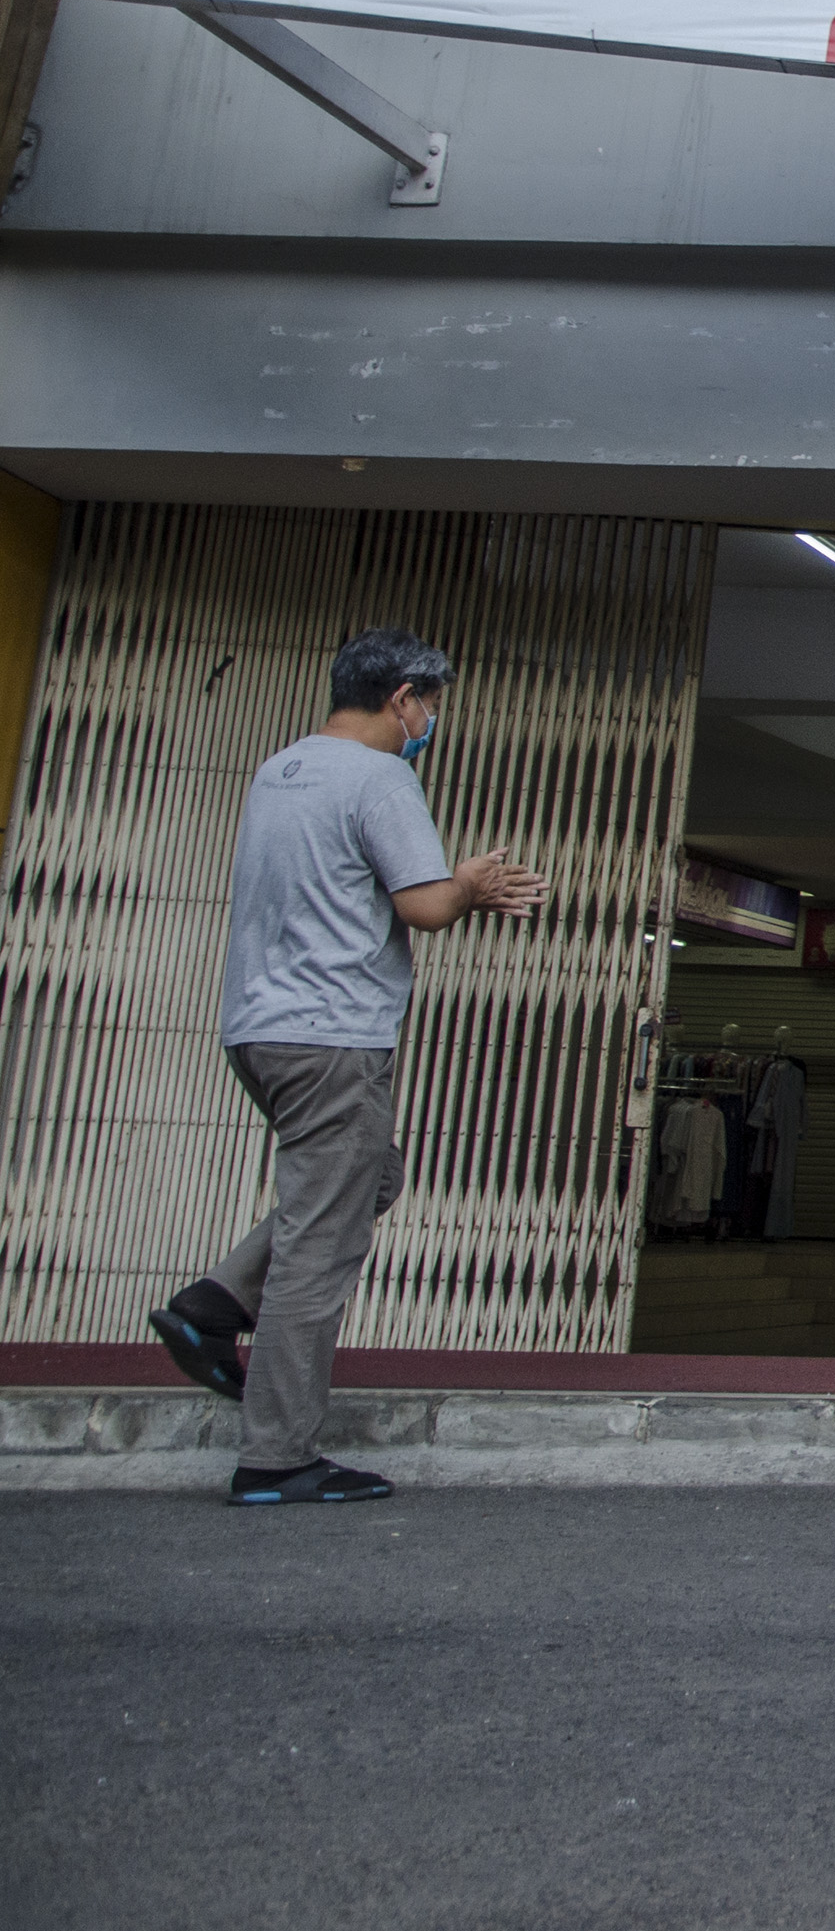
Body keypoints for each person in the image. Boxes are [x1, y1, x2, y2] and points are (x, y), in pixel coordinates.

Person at [144, 626, 549, 1506]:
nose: (430, 721)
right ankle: (276, 1455)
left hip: (259, 1027)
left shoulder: (279, 769)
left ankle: (214, 1304)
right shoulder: (382, 776)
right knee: (321, 1246)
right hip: (334, 1036)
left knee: (368, 1174)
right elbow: (424, 904)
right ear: (404, 696)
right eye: (430, 706)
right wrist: (475, 884)